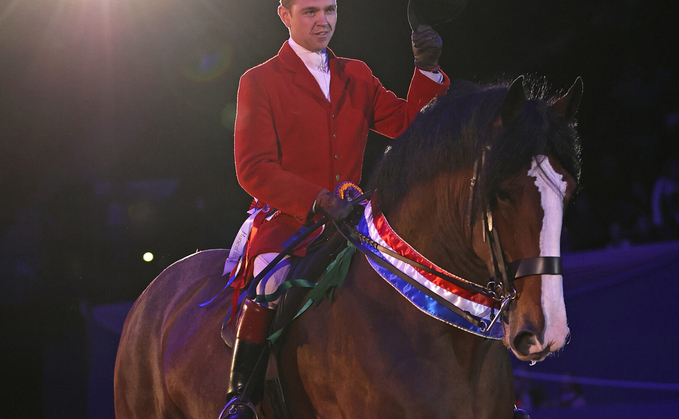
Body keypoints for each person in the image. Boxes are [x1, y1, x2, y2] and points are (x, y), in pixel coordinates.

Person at [223, 0, 450, 416]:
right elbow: (253, 168)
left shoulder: (357, 74)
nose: (323, 21)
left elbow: (409, 126)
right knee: (268, 282)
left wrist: (428, 71)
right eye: (310, 11)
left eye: (330, 10)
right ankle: (240, 397)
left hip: (353, 222)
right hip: (289, 221)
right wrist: (317, 199)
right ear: (284, 15)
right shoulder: (259, 81)